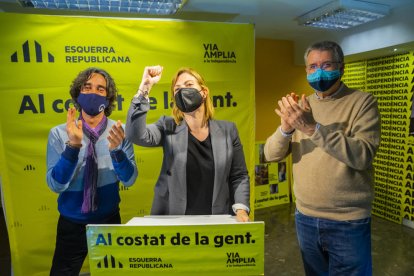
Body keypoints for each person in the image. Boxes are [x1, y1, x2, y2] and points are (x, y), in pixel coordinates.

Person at [264, 41, 380, 275]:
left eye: (326, 65)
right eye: (313, 66)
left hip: (348, 221)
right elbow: (271, 154)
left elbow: (363, 156)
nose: (319, 72)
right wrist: (286, 129)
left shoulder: (363, 102)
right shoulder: (300, 107)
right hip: (305, 217)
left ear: (342, 68)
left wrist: (311, 128)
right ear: (306, 70)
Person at [125, 66, 250, 222]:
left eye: (189, 85)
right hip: (174, 220)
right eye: (177, 89)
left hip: (216, 220)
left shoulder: (228, 131)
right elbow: (135, 135)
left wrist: (241, 209)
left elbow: (239, 175)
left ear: (204, 93)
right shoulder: (167, 126)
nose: (183, 91)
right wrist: (144, 88)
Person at [46, 67, 138, 275]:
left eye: (100, 89)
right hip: (71, 224)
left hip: (109, 223)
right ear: (78, 94)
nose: (93, 93)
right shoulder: (60, 133)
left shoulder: (118, 132)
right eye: (87, 87)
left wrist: (117, 152)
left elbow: (130, 179)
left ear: (109, 97)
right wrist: (73, 146)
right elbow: (55, 184)